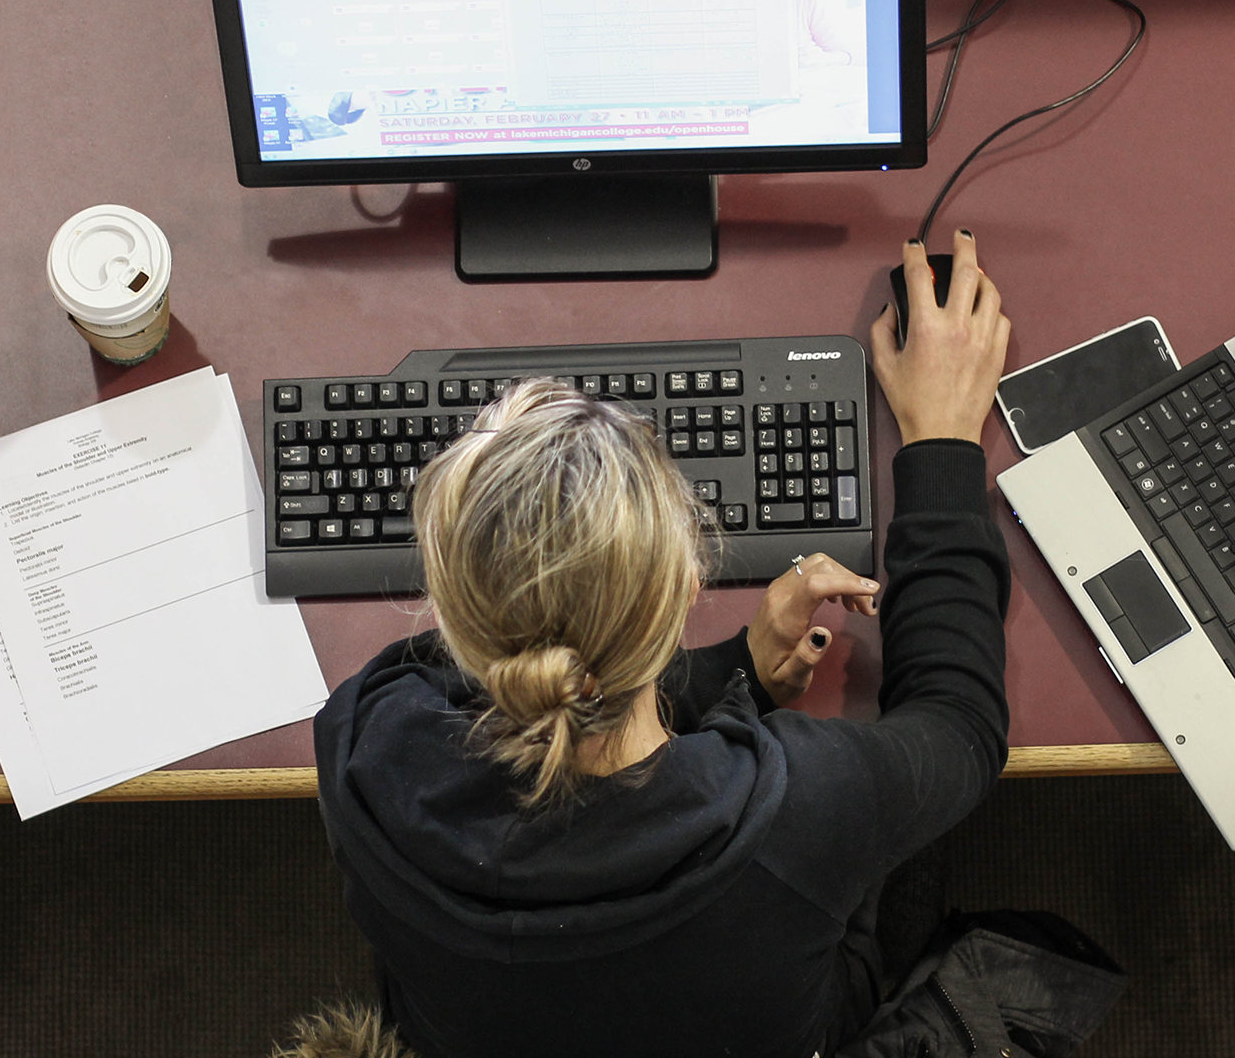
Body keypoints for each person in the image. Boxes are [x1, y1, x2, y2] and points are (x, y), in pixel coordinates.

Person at [311, 232, 1013, 1058]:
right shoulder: (801, 811)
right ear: (688, 587)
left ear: (454, 613)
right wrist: (942, 443)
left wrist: (736, 671)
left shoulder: (365, 738)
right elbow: (963, 726)